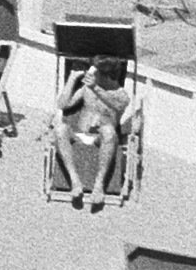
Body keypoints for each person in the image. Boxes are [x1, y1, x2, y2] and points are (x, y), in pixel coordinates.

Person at [52, 58, 140, 209]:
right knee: (60, 129)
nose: (92, 74)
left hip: (103, 139)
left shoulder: (121, 95)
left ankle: (99, 185)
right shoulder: (87, 89)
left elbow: (117, 105)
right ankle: (75, 182)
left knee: (108, 131)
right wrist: (72, 79)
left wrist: (96, 89)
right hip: (80, 133)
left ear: (105, 75)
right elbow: (62, 105)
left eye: (96, 72)